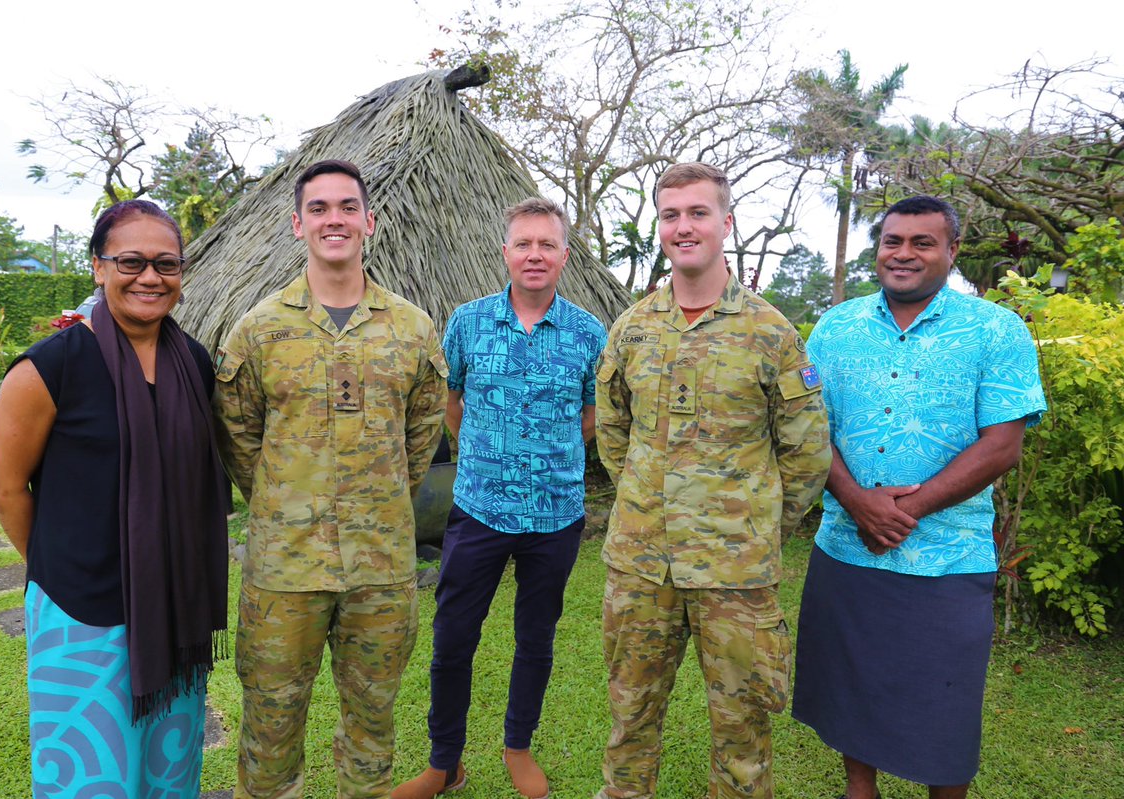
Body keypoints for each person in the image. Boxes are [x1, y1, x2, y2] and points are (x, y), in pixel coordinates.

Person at [791, 196, 1047, 799]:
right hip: (847, 549)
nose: (903, 254)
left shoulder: (995, 330)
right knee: (850, 685)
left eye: (922, 243)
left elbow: (1003, 444)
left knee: (944, 703)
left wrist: (905, 509)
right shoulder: (836, 327)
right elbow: (808, 428)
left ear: (951, 251)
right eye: (892, 241)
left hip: (948, 556)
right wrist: (856, 501)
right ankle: (861, 791)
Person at [594, 162, 831, 799]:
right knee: (629, 717)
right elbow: (614, 434)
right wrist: (653, 503)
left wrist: (751, 526)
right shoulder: (634, 327)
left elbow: (806, 454)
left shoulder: (770, 332)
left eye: (698, 213)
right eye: (670, 215)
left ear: (726, 222)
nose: (683, 226)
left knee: (743, 726)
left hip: (737, 573)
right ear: (660, 228)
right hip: (641, 564)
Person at [213, 159, 447, 799]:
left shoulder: (411, 328)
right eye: (319, 209)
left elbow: (421, 433)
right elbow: (239, 436)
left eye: (347, 207)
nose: (334, 219)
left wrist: (377, 497)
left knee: (372, 724)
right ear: (297, 224)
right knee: (270, 721)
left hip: (380, 566)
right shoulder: (260, 329)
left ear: (369, 221)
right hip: (284, 568)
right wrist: (286, 500)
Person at [0, 200, 230, 799]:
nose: (150, 277)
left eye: (166, 263)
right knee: (89, 776)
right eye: (131, 261)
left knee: (167, 772)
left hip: (174, 605)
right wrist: (56, 565)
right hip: (80, 607)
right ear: (98, 267)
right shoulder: (49, 369)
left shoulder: (194, 363)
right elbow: (5, 488)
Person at [393, 198, 607, 799]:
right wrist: (493, 452)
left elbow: (591, 415)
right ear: (505, 253)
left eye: (547, 245)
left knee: (535, 639)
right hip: (479, 509)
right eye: (523, 244)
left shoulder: (589, 334)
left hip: (555, 516)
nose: (534, 254)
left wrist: (540, 450)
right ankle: (444, 763)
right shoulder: (467, 323)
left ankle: (518, 746)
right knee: (453, 636)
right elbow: (451, 402)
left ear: (564, 255)